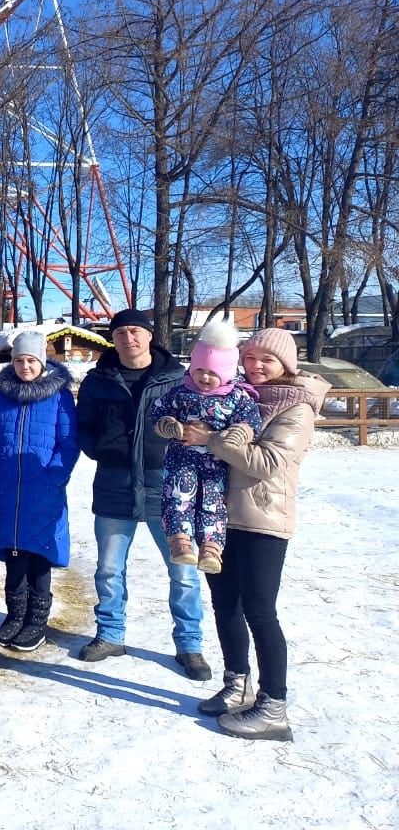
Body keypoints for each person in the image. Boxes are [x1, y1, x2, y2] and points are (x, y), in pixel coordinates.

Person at [182, 328, 328, 741]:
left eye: (267, 359)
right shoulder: (237, 396)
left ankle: (273, 706)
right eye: (250, 358)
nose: (257, 366)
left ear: (286, 365)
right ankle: (236, 683)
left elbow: (267, 462)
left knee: (260, 612)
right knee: (225, 604)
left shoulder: (296, 409)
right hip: (219, 517)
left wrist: (210, 440)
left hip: (264, 520)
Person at [75, 308, 212, 680]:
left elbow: (200, 424)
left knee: (182, 570)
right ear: (113, 339)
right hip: (114, 484)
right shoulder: (98, 381)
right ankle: (110, 634)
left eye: (135, 331)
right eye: (120, 333)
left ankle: (190, 645)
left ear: (150, 336)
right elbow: (82, 426)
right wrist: (102, 448)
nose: (128, 338)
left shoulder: (177, 379)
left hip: (167, 487)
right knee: (108, 569)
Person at [0, 330, 79, 651]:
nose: (25, 366)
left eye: (31, 360)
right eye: (19, 360)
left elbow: (68, 442)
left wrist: (55, 476)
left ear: (42, 361)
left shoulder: (59, 396)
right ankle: (15, 615)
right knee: (14, 556)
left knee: (38, 556)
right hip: (6, 491)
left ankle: (36, 622)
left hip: (44, 491)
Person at [152, 319, 262, 574]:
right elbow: (158, 413)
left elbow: (251, 421)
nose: (204, 377)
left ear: (225, 373)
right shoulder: (180, 392)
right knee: (178, 497)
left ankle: (211, 547)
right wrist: (168, 424)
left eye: (213, 373)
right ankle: (180, 541)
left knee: (212, 502)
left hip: (215, 462)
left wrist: (239, 432)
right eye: (199, 369)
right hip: (181, 459)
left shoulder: (237, 396)